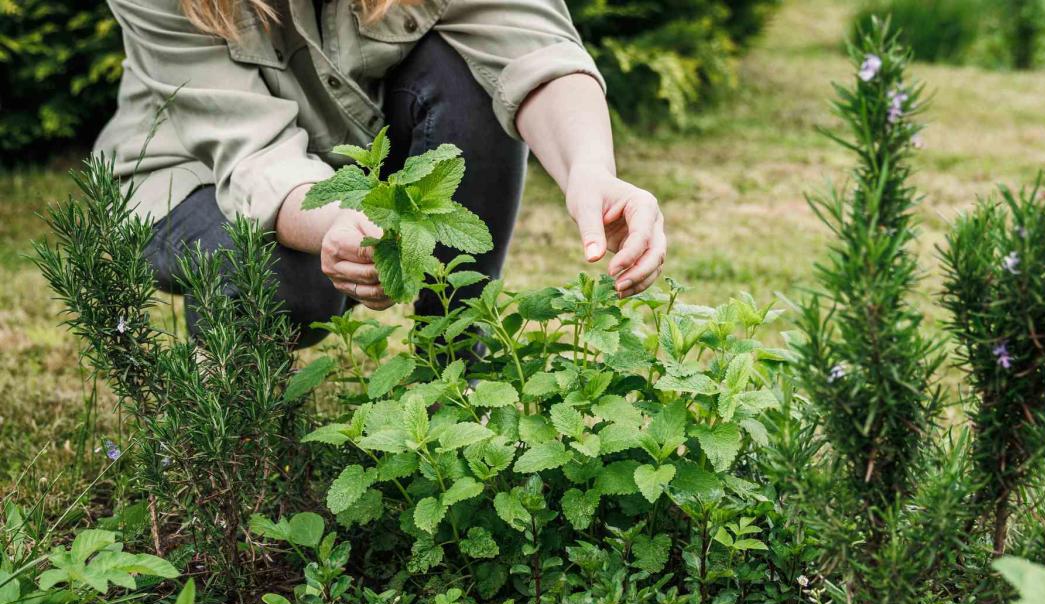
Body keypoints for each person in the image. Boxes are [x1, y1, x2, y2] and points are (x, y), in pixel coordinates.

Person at [97, 0, 667, 346]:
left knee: (473, 76)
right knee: (284, 280)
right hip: (184, 175)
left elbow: (530, 45)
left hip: (344, 156)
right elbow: (253, 157)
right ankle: (224, 393)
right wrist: (340, 225)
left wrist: (590, 168)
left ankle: (456, 370)